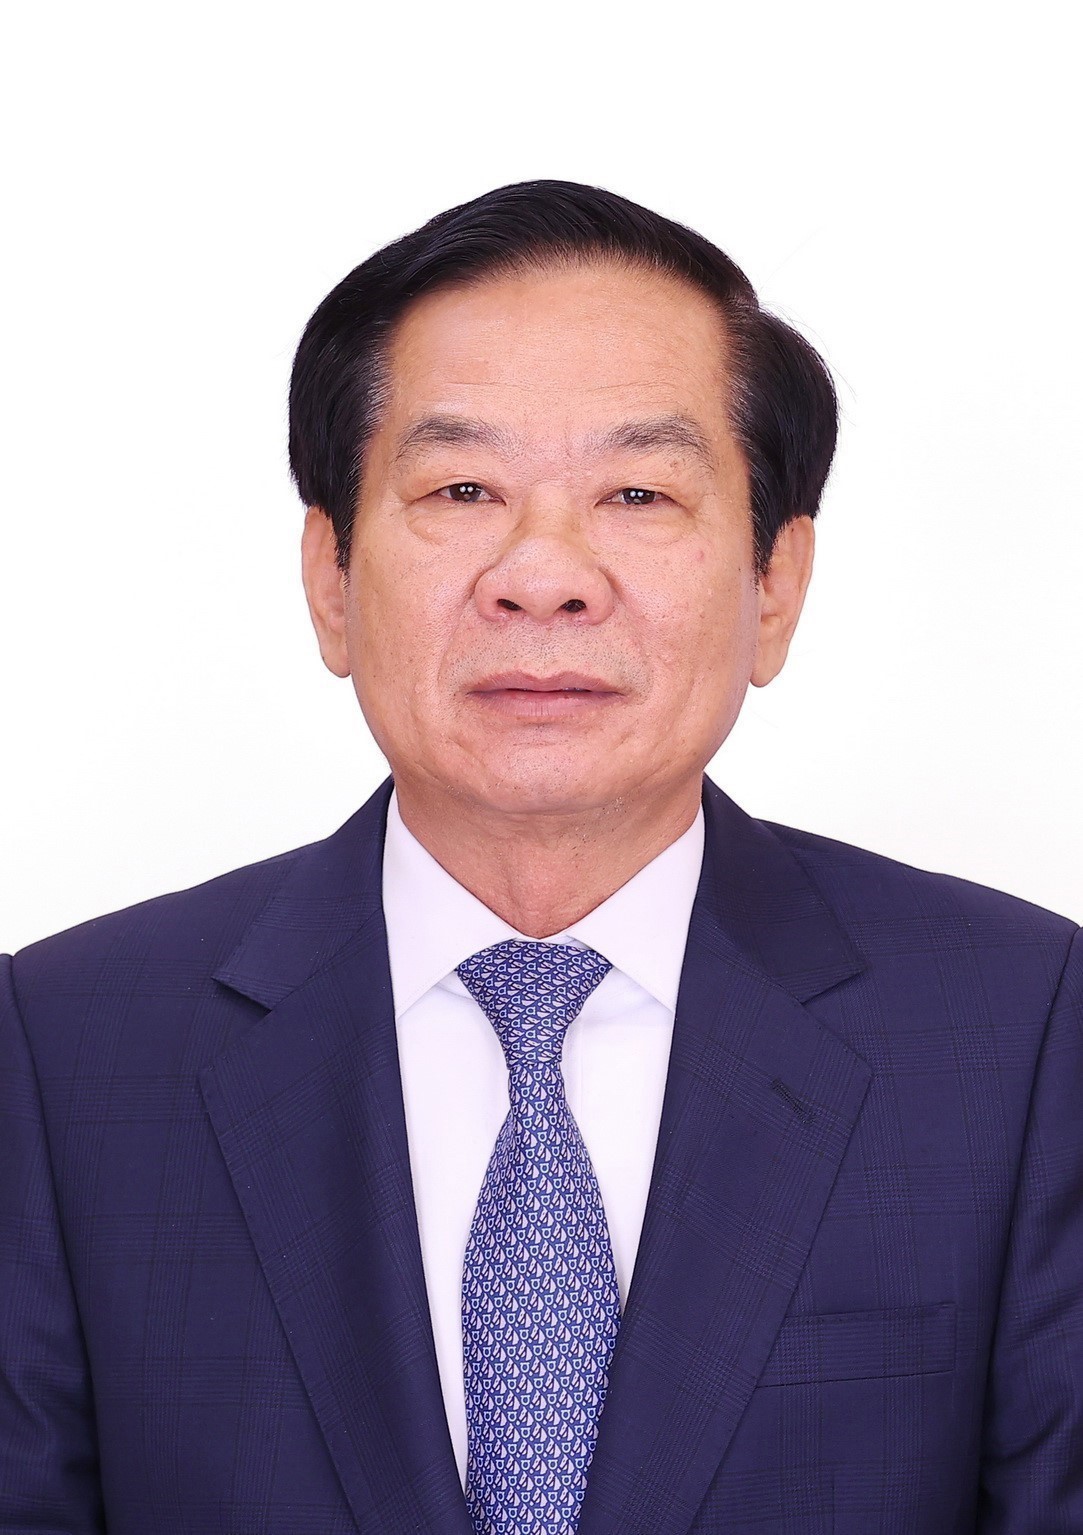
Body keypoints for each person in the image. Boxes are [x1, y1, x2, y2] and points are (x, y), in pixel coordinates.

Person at [1, 180, 1080, 1535]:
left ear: (773, 586)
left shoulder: (1022, 1030)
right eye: (463, 488)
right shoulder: (64, 1048)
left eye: (637, 492)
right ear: (331, 578)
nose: (543, 574)